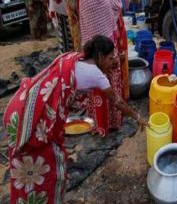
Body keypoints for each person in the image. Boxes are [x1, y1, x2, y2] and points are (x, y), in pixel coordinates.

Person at [3, 35, 145, 204]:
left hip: (20, 107)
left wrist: (116, 59)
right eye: (109, 58)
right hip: (31, 120)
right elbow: (118, 102)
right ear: (99, 56)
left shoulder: (76, 58)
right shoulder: (96, 75)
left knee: (28, 167)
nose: (111, 62)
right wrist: (138, 118)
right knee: (44, 170)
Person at [77, 0, 127, 133]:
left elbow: (114, 8)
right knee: (101, 86)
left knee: (107, 85)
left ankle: (112, 120)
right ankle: (102, 124)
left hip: (106, 45)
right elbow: (111, 8)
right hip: (97, 51)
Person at [102, 0, 129, 101]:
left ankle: (123, 94)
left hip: (120, 31)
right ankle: (115, 97)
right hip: (111, 35)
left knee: (122, 61)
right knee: (113, 64)